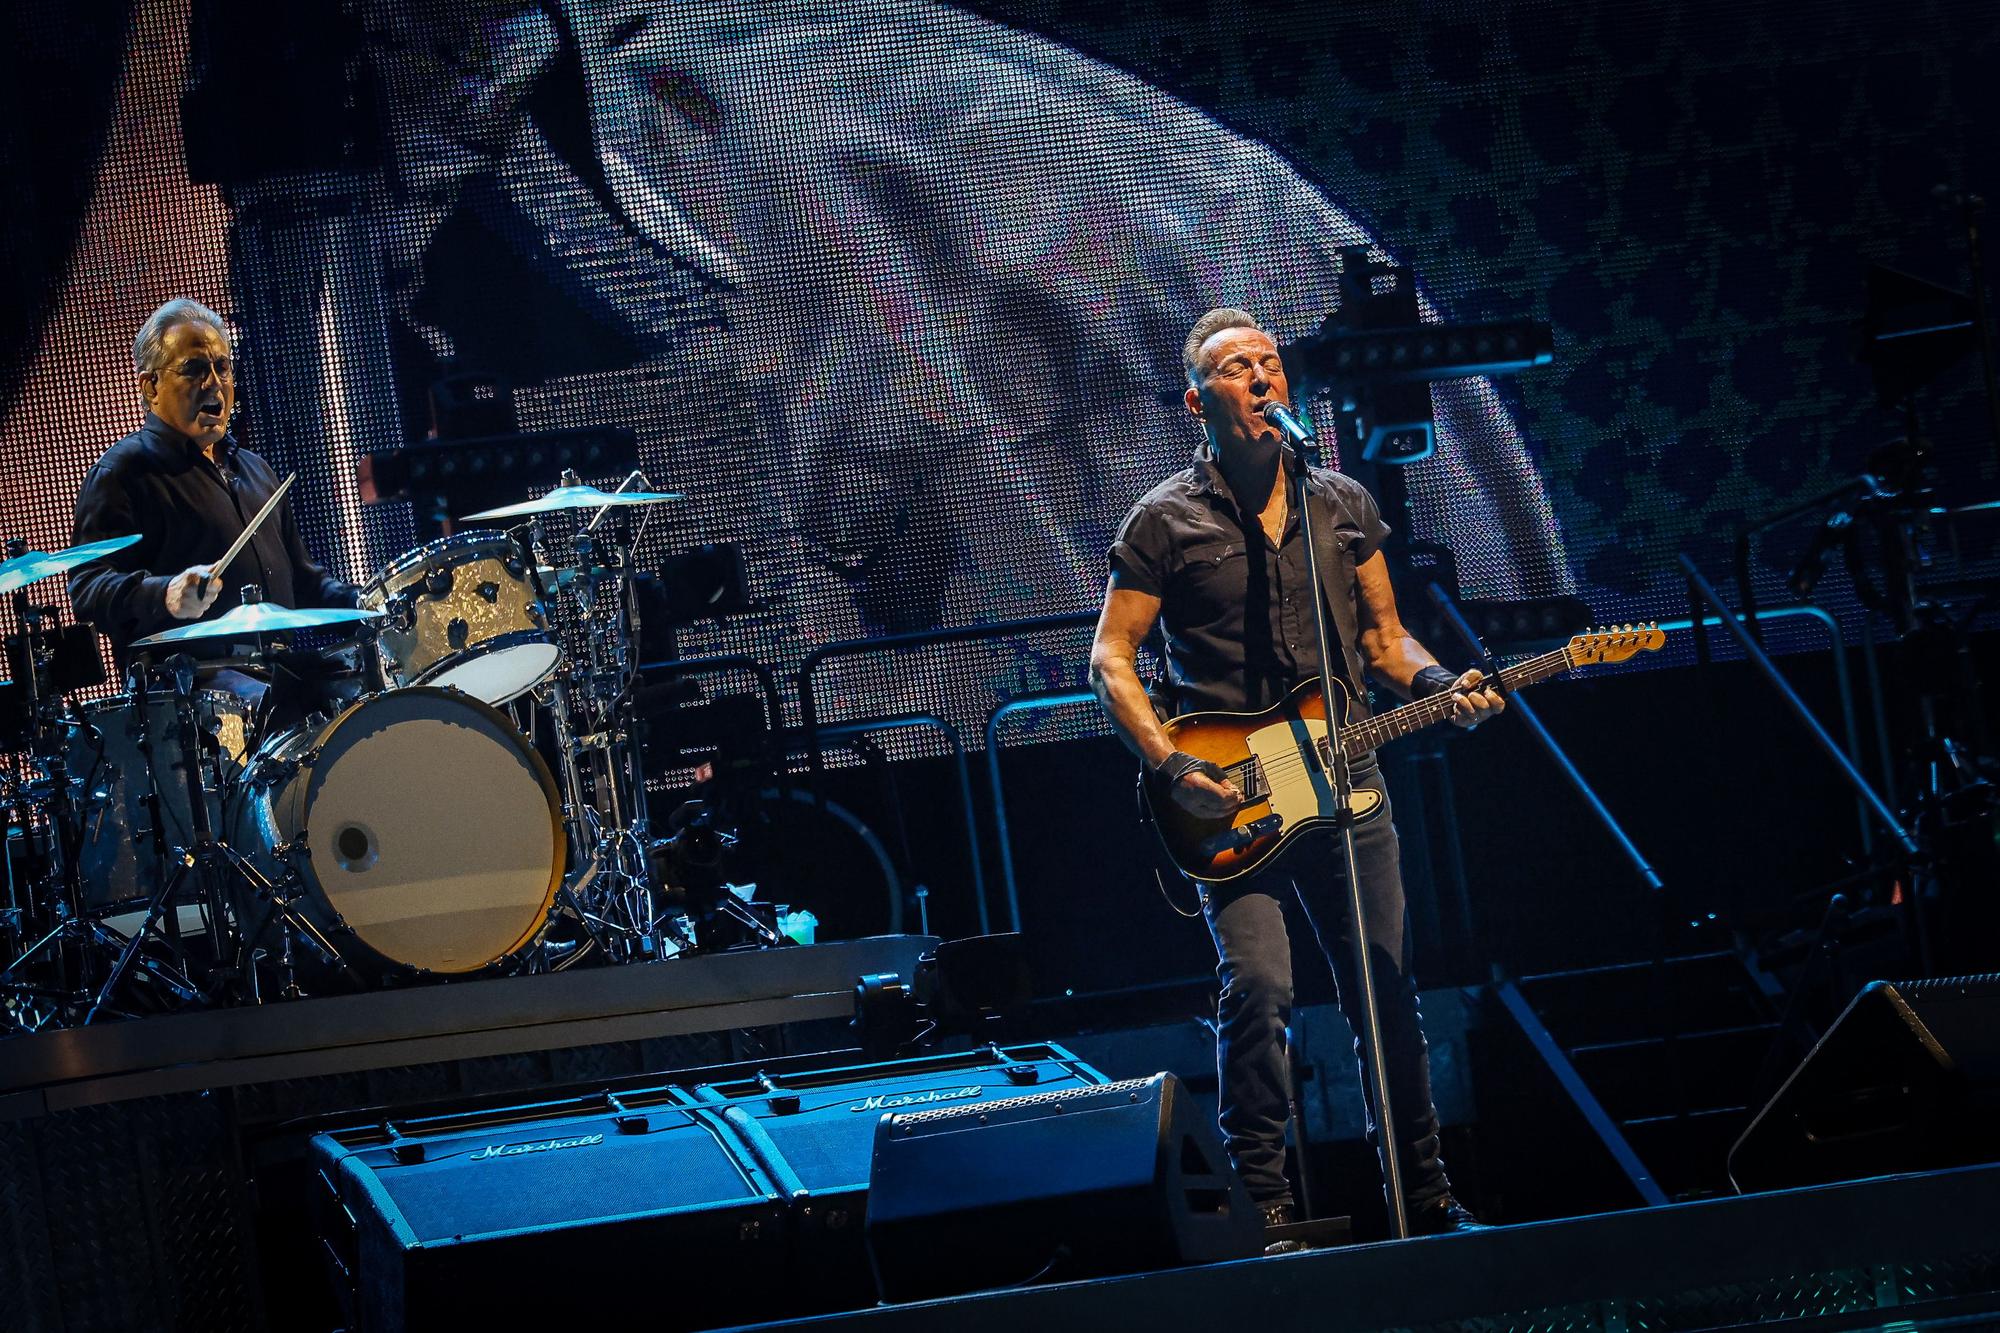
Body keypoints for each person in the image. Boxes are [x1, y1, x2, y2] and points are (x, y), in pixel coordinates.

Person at [1088, 308, 1505, 1239]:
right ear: (1200, 402)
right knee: (1262, 990)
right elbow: (1111, 658)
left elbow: (1384, 639)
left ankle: (1425, 1195)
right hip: (1235, 799)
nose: (1264, 378)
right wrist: (1168, 761)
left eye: (1271, 363)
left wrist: (1444, 684)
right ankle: (1262, 1207)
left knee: (1384, 985)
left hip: (1346, 786)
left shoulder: (1340, 501)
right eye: (1240, 368)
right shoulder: (1165, 520)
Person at [68, 298, 356, 662]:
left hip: (280, 673)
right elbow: (87, 587)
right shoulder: (123, 471)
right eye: (194, 369)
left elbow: (304, 581)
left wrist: (367, 604)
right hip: (193, 696)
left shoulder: (255, 470)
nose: (214, 383)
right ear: (150, 387)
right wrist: (165, 594)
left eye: (222, 367)